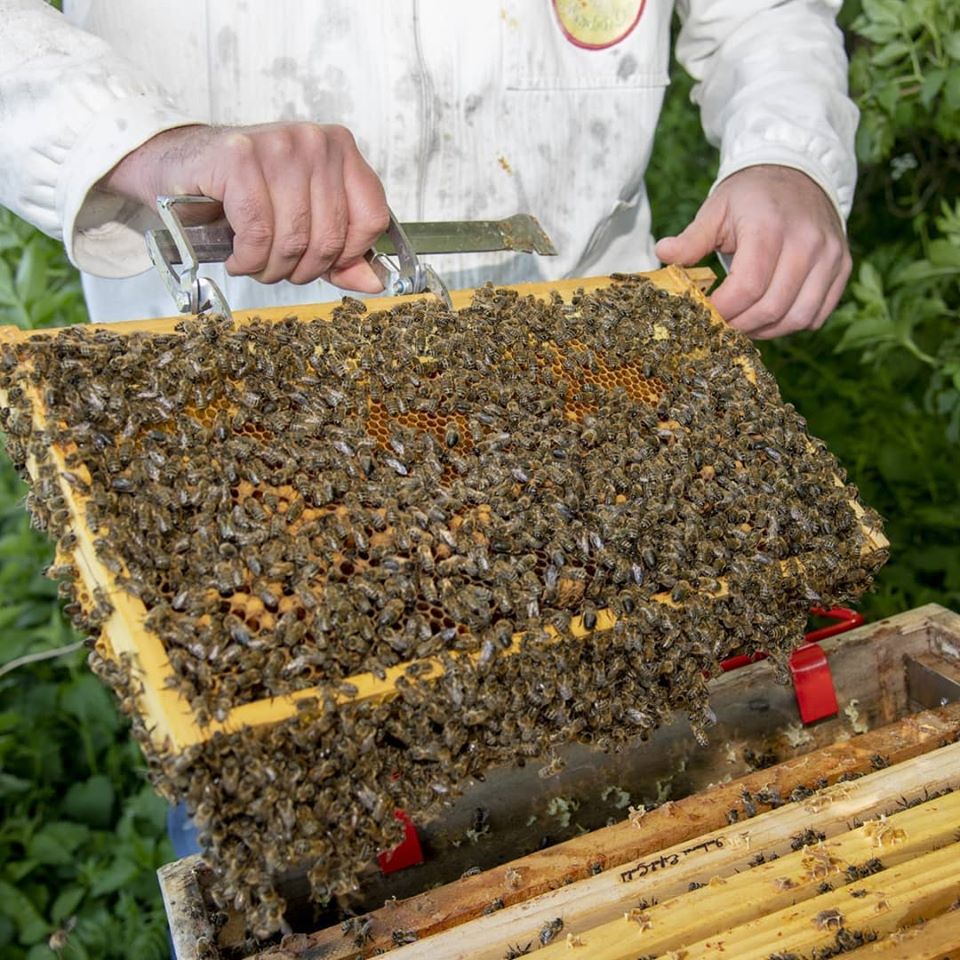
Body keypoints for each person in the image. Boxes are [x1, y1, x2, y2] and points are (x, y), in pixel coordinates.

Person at [0, 0, 855, 339]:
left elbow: (762, 15)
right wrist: (141, 141)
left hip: (592, 348)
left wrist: (789, 152)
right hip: (229, 365)